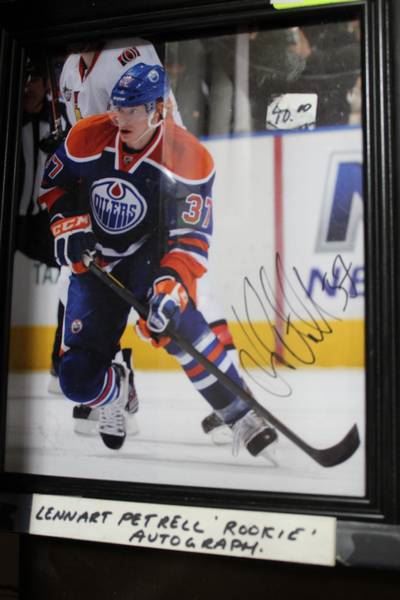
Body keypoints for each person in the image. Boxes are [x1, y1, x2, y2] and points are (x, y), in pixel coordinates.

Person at [39, 63, 278, 456]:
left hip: (148, 256)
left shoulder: (189, 157)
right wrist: (68, 222)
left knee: (177, 322)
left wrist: (171, 285)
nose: (120, 118)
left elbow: (190, 241)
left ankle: (241, 413)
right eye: (117, 107)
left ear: (159, 110)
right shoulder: (88, 135)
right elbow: (52, 184)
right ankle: (118, 389)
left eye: (132, 109)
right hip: (95, 260)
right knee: (76, 381)